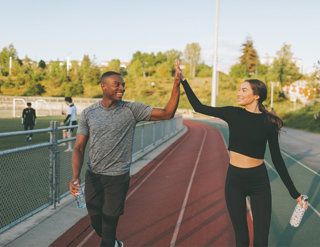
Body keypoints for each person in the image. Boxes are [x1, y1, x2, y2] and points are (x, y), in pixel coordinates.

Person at [178, 69, 308, 247]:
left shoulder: (268, 123)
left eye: (244, 90)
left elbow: (277, 160)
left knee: (261, 242)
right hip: (235, 181)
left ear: (256, 96)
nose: (239, 93)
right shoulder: (233, 113)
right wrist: (184, 80)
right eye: (239, 89)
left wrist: (295, 194)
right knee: (242, 240)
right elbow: (199, 107)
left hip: (259, 182)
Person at [69, 59, 181, 247]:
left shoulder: (132, 109)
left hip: (117, 178)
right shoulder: (88, 113)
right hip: (93, 176)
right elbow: (79, 147)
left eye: (123, 85)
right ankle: (114, 243)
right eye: (117, 85)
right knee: (96, 222)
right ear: (103, 87)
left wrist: (176, 84)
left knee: (108, 228)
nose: (122, 88)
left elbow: (167, 113)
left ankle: (110, 242)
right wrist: (75, 177)